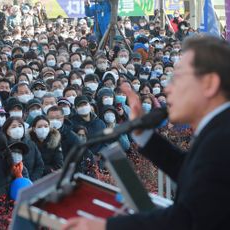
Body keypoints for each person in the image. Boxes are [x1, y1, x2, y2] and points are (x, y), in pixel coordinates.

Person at [63, 36, 230, 230]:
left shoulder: (222, 140)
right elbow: (190, 171)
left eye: (178, 78)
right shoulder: (218, 130)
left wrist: (105, 226)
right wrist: (143, 132)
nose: (167, 88)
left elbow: (185, 219)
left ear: (209, 84)